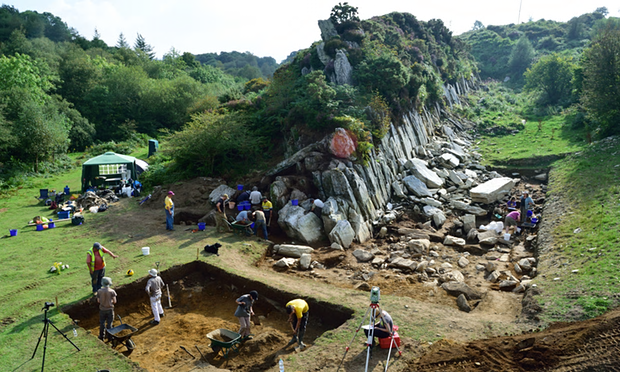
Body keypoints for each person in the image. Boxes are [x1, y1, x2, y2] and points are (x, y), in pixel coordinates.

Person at [96, 277, 117, 341]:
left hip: (102, 310)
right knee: (109, 324)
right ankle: (110, 337)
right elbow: (115, 301)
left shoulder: (99, 291)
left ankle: (101, 337)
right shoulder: (112, 291)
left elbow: (98, 301)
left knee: (102, 323)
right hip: (110, 309)